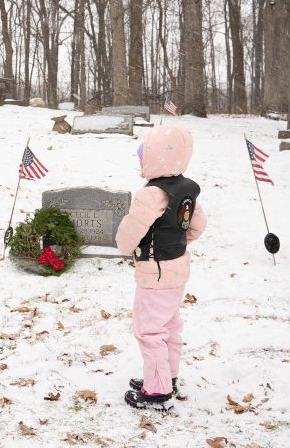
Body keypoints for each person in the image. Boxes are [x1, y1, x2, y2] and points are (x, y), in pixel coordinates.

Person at [114, 126, 207, 411]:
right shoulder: (185, 189)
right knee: (169, 324)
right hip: (177, 268)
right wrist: (181, 241)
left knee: (149, 329)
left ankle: (156, 390)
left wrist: (125, 246)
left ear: (155, 159)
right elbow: (198, 223)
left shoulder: (152, 194)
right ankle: (169, 376)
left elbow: (132, 229)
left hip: (155, 272)